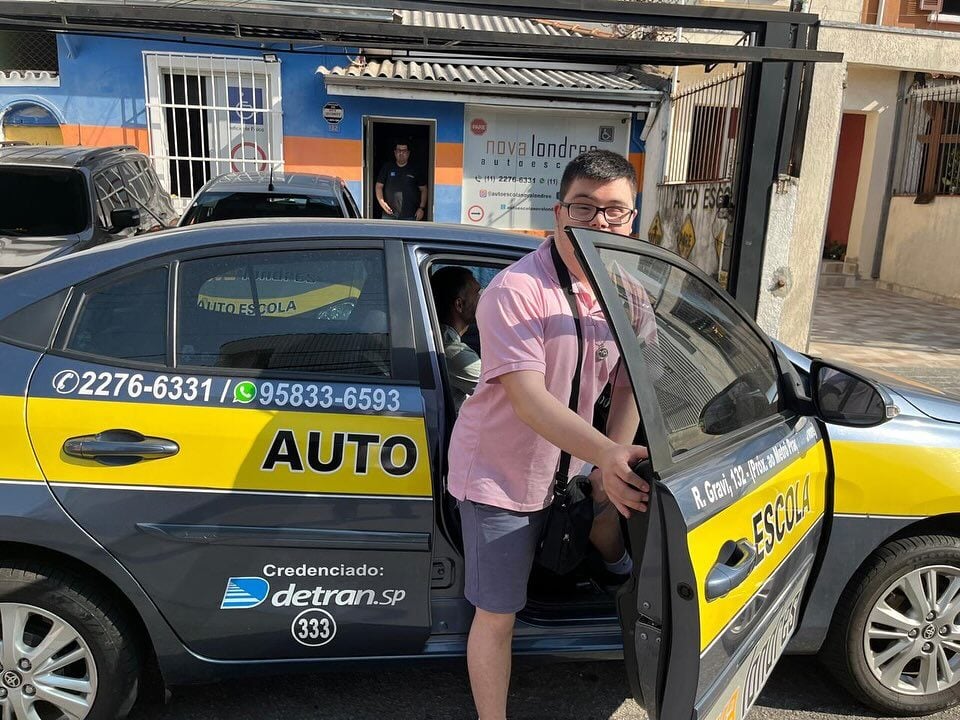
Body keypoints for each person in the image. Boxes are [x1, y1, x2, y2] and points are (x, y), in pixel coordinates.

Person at [446, 149, 651, 720]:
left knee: (608, 519)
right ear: (557, 214)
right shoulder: (516, 290)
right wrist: (608, 454)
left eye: (615, 211)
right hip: (500, 476)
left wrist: (609, 466)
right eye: (584, 208)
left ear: (632, 219)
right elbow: (528, 400)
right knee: (498, 614)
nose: (599, 223)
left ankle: (618, 583)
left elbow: (632, 386)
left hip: (573, 470)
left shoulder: (630, 295)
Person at [430, 266, 482, 411]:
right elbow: (505, 390)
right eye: (477, 293)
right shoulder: (452, 352)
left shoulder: (440, 337)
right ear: (459, 304)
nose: (483, 299)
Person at [375, 142, 427, 220]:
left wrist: (421, 208)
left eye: (404, 151)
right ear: (395, 152)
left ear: (408, 153)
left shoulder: (415, 169)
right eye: (399, 150)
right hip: (389, 215)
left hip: (410, 215)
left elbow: (424, 190)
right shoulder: (387, 167)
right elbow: (378, 186)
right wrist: (382, 203)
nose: (401, 153)